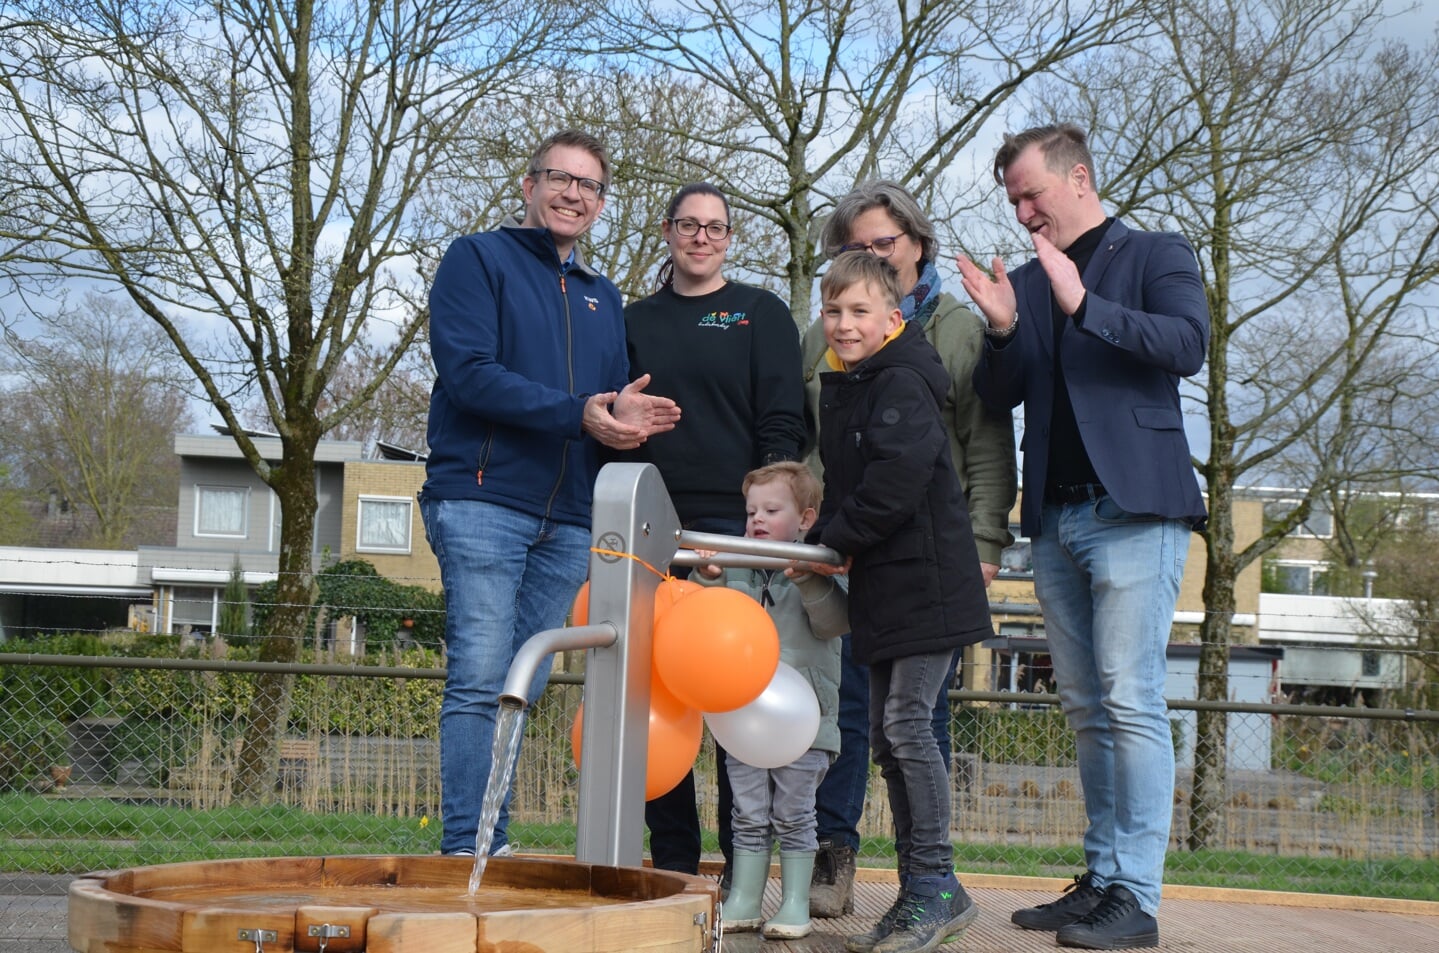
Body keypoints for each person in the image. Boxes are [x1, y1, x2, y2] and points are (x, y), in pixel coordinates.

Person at [960, 123, 1208, 950]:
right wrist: (1002, 327)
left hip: (1135, 509)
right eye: (1013, 201)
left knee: (1130, 697)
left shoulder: (1155, 253)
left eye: (1031, 193)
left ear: (1078, 178)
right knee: (1086, 708)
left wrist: (1083, 305)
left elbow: (1185, 345)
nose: (1024, 212)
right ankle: (1100, 878)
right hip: (1056, 520)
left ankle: (1135, 896)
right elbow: (1003, 394)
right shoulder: (1025, 279)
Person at [420, 129, 681, 858]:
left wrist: (623, 423)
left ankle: (487, 843)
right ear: (527, 186)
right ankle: (469, 852)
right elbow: (469, 373)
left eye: (589, 186)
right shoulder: (477, 259)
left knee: (520, 683)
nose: (573, 193)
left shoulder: (604, 297)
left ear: (600, 204)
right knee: (478, 678)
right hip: (481, 501)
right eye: (559, 178)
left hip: (570, 519)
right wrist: (581, 413)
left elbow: (603, 409)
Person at [802, 181, 1017, 918]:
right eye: (833, 309)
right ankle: (929, 886)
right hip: (884, 576)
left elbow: (895, 482)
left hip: (925, 574)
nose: (842, 321)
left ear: (894, 313)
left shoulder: (901, 377)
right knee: (892, 734)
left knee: (906, 728)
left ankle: (930, 884)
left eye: (859, 309)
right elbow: (844, 476)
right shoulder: (851, 378)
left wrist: (827, 540)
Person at [623, 183, 807, 878]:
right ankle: (671, 858)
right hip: (651, 531)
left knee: (733, 696)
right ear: (666, 231)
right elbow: (615, 426)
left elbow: (782, 425)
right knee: (656, 697)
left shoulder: (760, 313)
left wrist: (758, 529)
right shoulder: (631, 319)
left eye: (715, 227)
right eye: (688, 225)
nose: (701, 237)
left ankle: (742, 863)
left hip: (735, 534)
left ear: (729, 237)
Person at [689, 462, 847, 940]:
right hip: (744, 719)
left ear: (805, 518)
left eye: (771, 509)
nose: (756, 518)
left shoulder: (821, 564)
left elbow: (835, 622)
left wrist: (808, 578)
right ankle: (746, 898)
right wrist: (709, 575)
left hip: (806, 724)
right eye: (751, 510)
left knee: (795, 814)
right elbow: (705, 621)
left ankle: (795, 902)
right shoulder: (736, 566)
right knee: (748, 813)